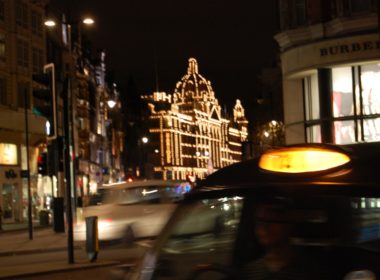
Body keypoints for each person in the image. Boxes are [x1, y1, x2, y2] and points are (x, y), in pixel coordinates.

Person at [241, 199, 327, 280]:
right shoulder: (250, 272)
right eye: (259, 221)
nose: (264, 227)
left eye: (272, 219)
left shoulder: (309, 271)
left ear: (288, 224)